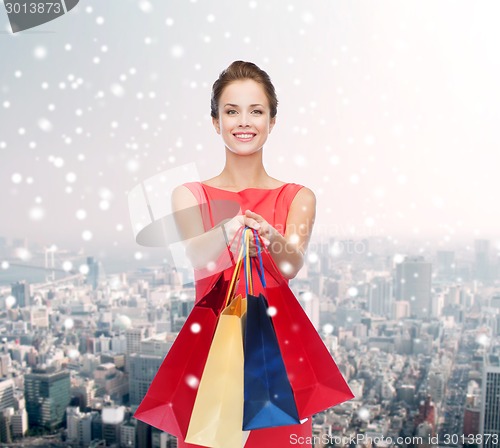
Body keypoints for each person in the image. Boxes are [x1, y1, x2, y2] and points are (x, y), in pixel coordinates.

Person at [171, 60, 317, 447]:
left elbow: (291, 265)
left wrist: (270, 235)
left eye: (256, 111)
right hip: (211, 364)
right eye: (231, 111)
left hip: (276, 367)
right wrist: (227, 230)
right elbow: (196, 255)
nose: (243, 122)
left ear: (272, 120)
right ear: (216, 122)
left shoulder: (297, 197)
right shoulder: (190, 195)